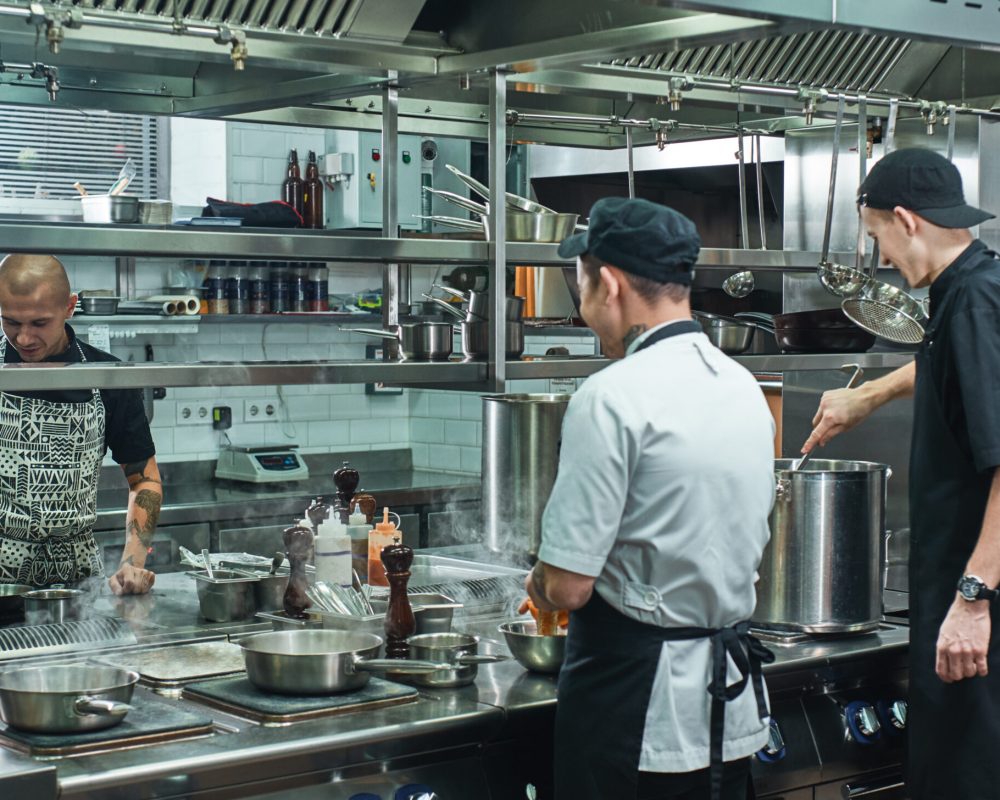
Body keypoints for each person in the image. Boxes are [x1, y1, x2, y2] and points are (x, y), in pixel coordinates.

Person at [524, 197, 776, 800]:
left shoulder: (609, 396)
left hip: (635, 714)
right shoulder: (742, 386)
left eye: (580, 283)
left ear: (607, 284)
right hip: (727, 713)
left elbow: (568, 586)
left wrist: (536, 585)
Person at [802, 147, 1000, 800]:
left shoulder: (972, 300)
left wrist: (973, 597)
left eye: (878, 236)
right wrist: (870, 395)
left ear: (907, 220)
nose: (883, 257)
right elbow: (953, 370)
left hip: (975, 612)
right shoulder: (972, 288)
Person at [0, 254, 159, 595]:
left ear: (70, 307)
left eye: (39, 323)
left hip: (79, 584)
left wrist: (133, 561)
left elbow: (145, 480)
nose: (24, 338)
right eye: (10, 322)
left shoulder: (107, 376)